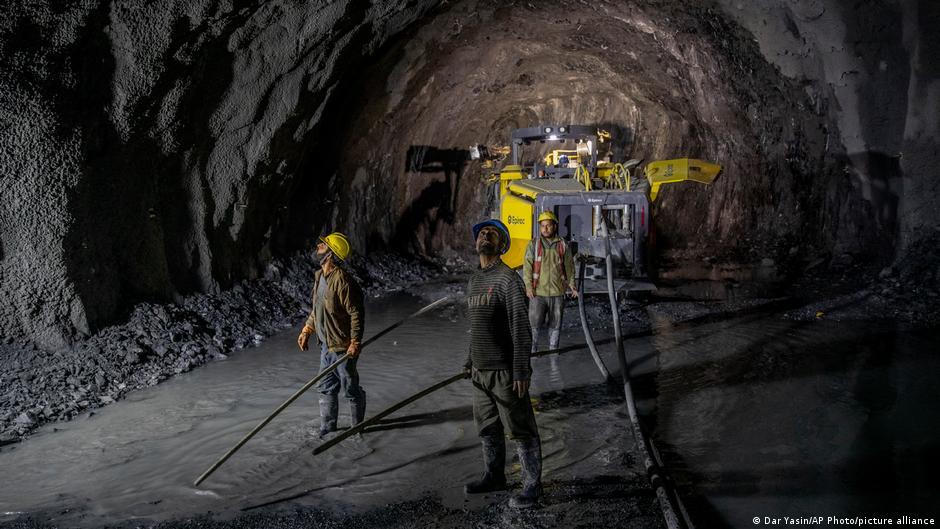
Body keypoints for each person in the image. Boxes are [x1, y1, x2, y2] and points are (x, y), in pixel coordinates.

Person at [463, 218, 542, 509]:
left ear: (502, 245)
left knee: (520, 428)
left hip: (505, 371)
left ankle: (532, 486)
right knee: (487, 427)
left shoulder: (508, 279)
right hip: (480, 372)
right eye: (482, 233)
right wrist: (469, 360)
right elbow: (477, 327)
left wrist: (521, 368)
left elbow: (521, 327)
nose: (485, 236)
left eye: (492, 234)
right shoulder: (474, 280)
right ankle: (494, 477)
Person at [297, 232, 366, 438]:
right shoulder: (320, 276)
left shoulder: (343, 281)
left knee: (350, 388)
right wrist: (307, 329)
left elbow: (356, 313)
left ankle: (357, 429)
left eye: (323, 245)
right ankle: (328, 430)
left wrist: (355, 341)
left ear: (331, 255)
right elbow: (317, 309)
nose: (318, 246)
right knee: (325, 387)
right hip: (326, 346)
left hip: (343, 346)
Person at [523, 210, 577, 352]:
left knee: (555, 325)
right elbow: (527, 266)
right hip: (537, 293)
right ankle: (532, 352)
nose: (545, 229)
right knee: (534, 325)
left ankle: (553, 352)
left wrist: (572, 285)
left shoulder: (563, 245)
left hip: (557, 293)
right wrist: (528, 286)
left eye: (548, 225)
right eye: (542, 226)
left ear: (555, 226)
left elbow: (569, 267)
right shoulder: (534, 245)